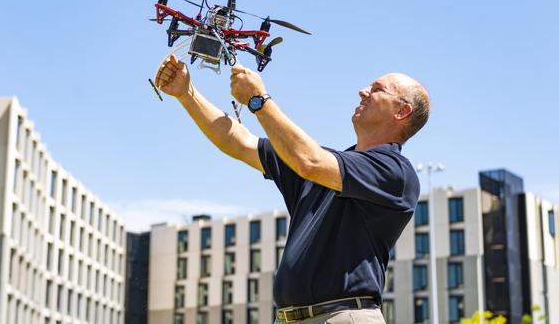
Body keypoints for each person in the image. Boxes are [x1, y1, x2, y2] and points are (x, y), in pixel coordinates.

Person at [155, 54, 430, 324]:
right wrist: (186, 93)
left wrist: (259, 101)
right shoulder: (323, 165)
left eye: (377, 89)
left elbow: (309, 161)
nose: (362, 91)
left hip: (343, 316)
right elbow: (240, 144)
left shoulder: (395, 172)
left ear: (401, 111)